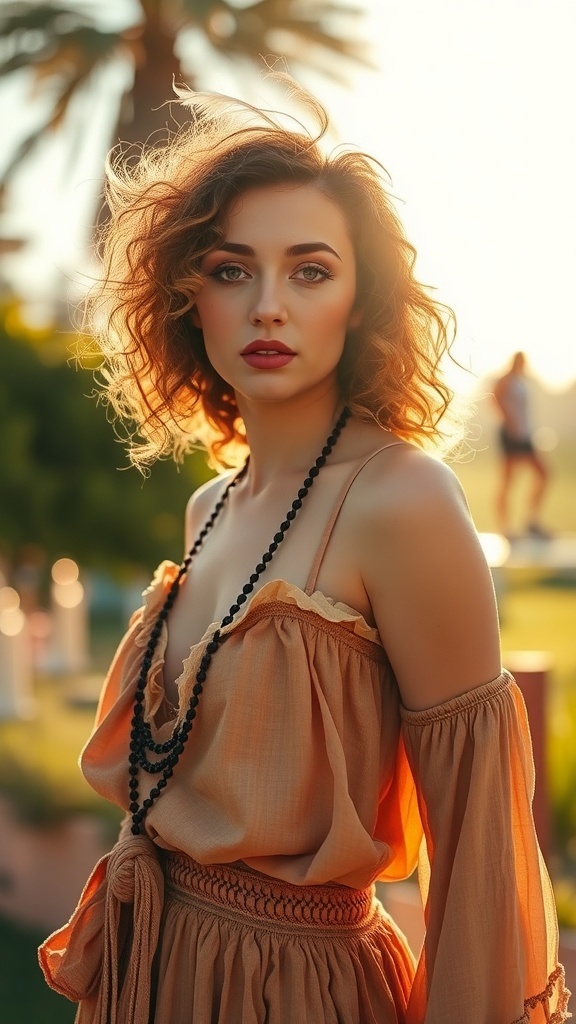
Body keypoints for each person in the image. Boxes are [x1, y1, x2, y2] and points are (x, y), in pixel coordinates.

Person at [39, 82, 569, 1023]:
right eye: (233, 269)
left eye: (310, 270)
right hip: (150, 977)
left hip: (297, 995)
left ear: (361, 298)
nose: (269, 306)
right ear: (187, 294)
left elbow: (478, 843)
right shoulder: (210, 506)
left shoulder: (402, 501)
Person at [493, 351, 552, 539]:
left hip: (526, 436)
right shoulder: (506, 380)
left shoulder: (521, 381)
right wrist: (508, 420)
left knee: (544, 473)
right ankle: (505, 528)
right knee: (508, 481)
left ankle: (531, 522)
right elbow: (494, 397)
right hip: (511, 435)